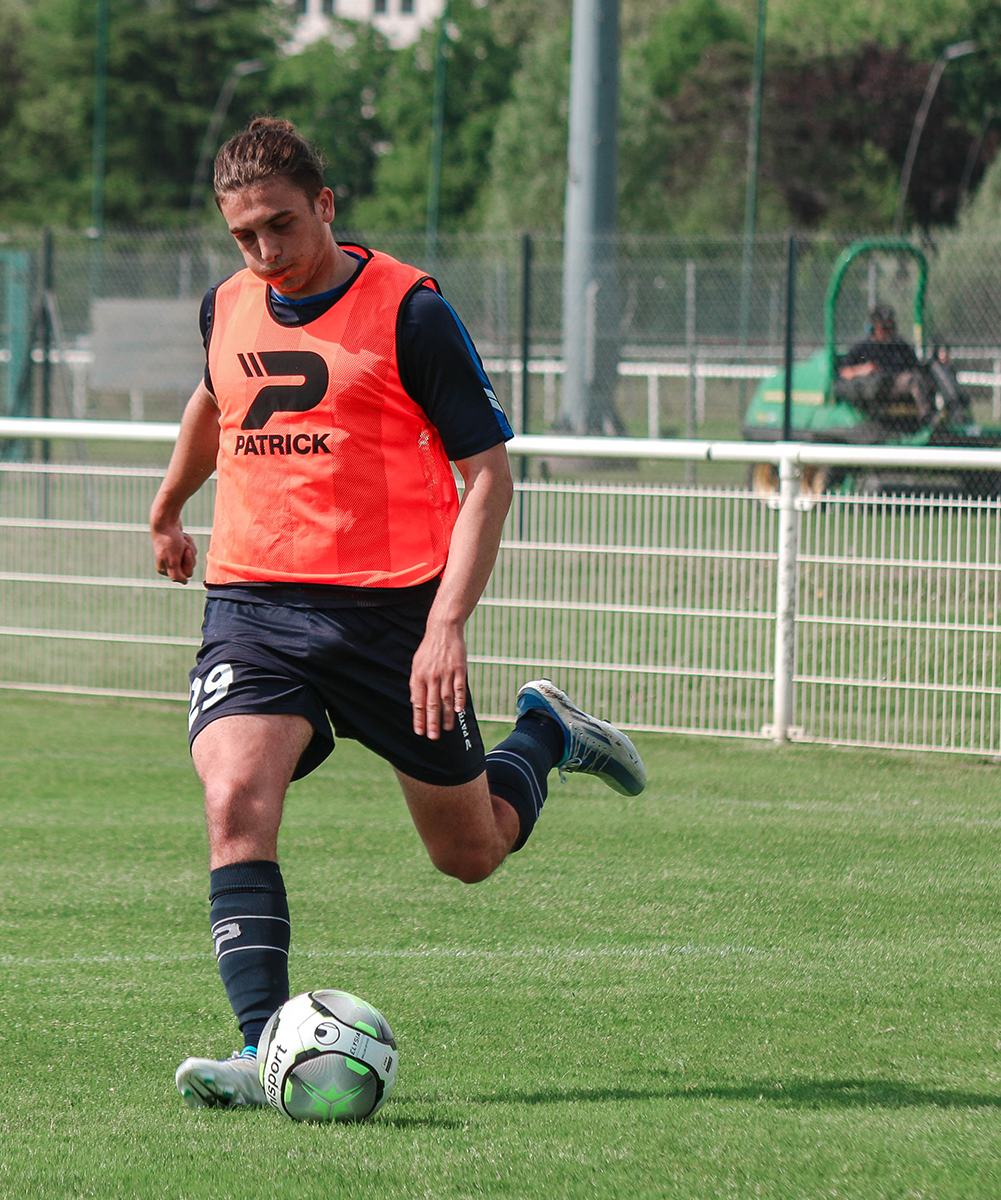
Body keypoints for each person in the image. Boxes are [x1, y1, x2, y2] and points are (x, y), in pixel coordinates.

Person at [148, 117, 647, 1110]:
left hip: (390, 618)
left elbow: (488, 477)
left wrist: (447, 625)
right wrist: (166, 505)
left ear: (325, 206)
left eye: (281, 227)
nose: (264, 254)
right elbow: (215, 403)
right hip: (253, 602)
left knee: (470, 852)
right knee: (234, 798)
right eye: (243, 236)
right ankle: (261, 1050)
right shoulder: (229, 306)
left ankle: (545, 733)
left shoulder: (409, 312)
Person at [836, 304, 933, 421]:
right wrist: (863, 369)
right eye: (884, 327)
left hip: (898, 385)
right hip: (879, 388)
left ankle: (936, 414)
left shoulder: (900, 346)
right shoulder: (863, 347)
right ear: (874, 327)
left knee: (921, 375)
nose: (888, 331)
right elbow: (843, 372)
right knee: (910, 380)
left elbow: (916, 367)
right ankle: (927, 417)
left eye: (891, 327)